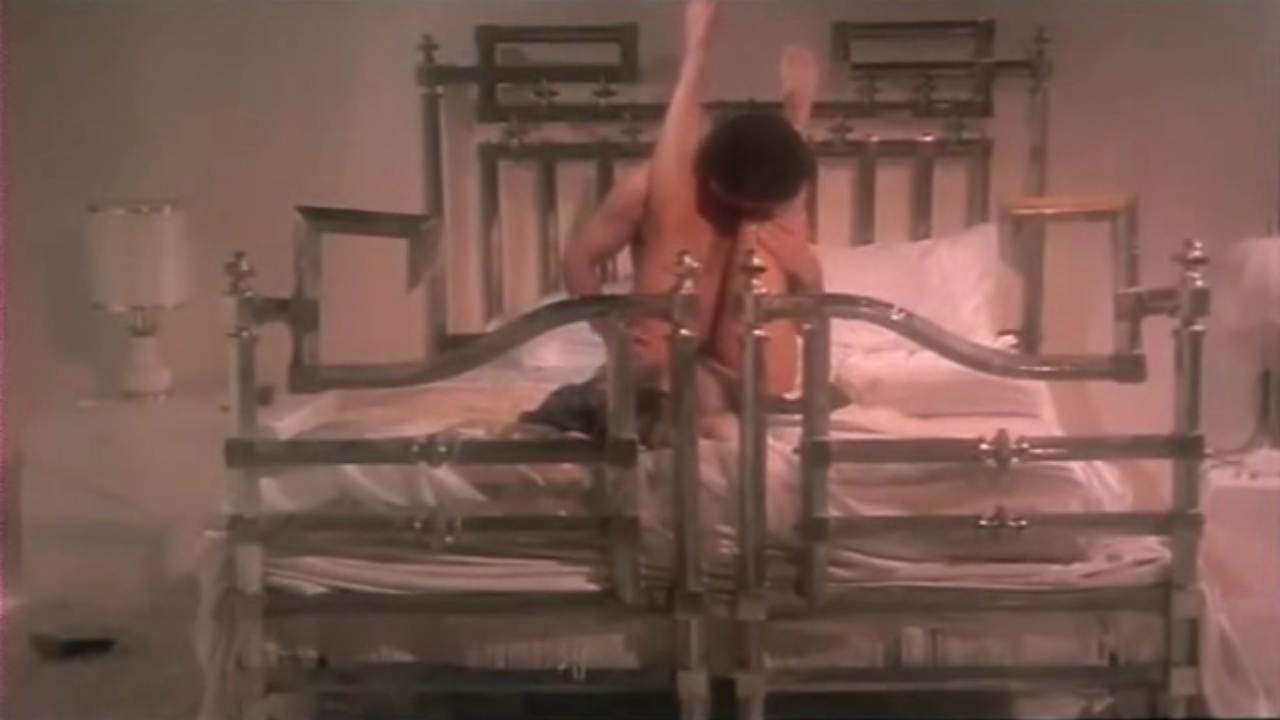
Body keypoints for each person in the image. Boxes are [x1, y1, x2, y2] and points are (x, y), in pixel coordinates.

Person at [525, 0, 827, 444]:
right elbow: (579, 258)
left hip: (744, 381)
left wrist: (809, 272)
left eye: (760, 205)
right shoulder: (656, 189)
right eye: (738, 202)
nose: (748, 212)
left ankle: (794, 120)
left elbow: (806, 319)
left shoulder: (775, 206)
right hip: (659, 371)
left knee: (765, 247)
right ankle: (697, 60)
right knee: (673, 221)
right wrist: (610, 330)